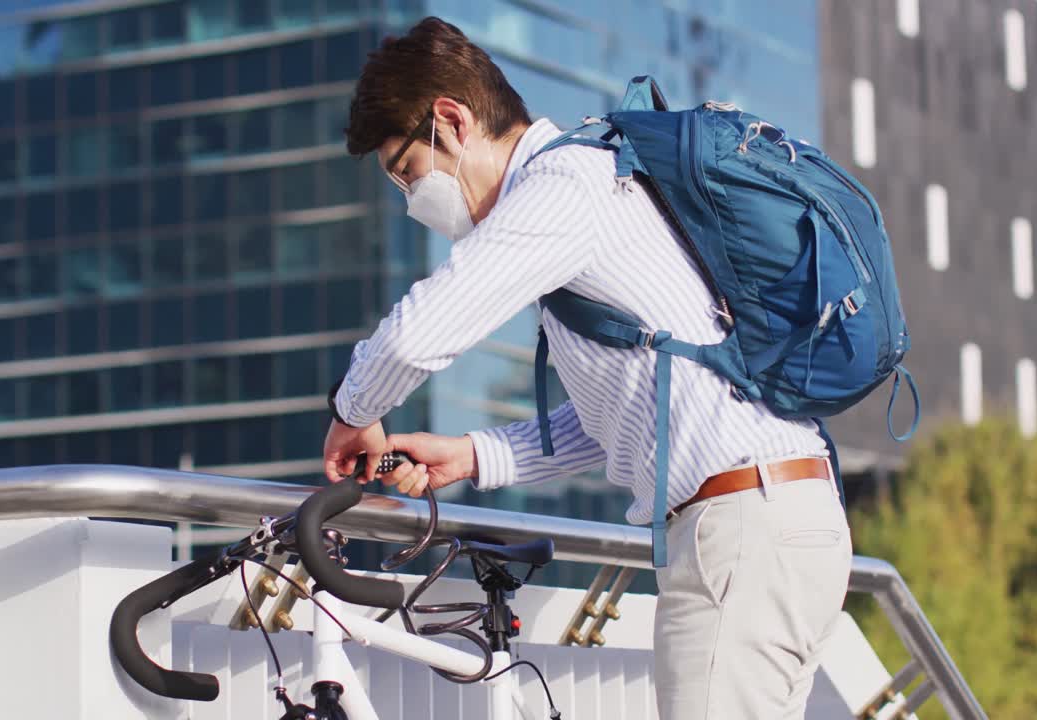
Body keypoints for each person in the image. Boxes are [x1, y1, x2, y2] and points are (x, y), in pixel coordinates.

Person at [322, 16, 853, 719]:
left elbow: (418, 335)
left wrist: (351, 413)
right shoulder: (593, 178)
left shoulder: (564, 184)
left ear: (451, 121)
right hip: (766, 520)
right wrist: (473, 455)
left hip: (742, 531)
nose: (414, 200)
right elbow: (629, 413)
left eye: (409, 174)